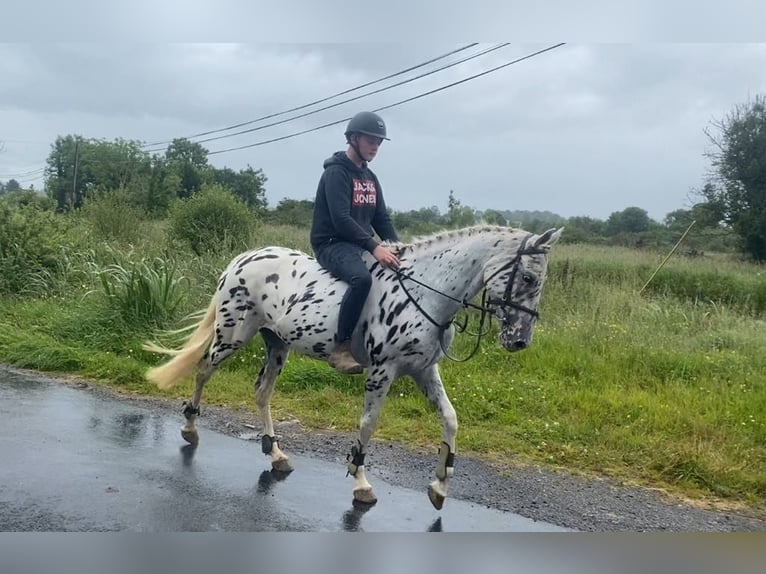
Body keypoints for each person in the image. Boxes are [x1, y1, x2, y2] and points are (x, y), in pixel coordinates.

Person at [310, 111, 401, 374]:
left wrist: (398, 248)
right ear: (353, 139)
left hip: (358, 245)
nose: (375, 146)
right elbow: (341, 220)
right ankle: (341, 348)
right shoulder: (336, 174)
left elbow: (381, 219)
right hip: (332, 243)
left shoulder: (370, 178)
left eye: (379, 142)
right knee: (362, 280)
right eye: (371, 140)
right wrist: (375, 247)